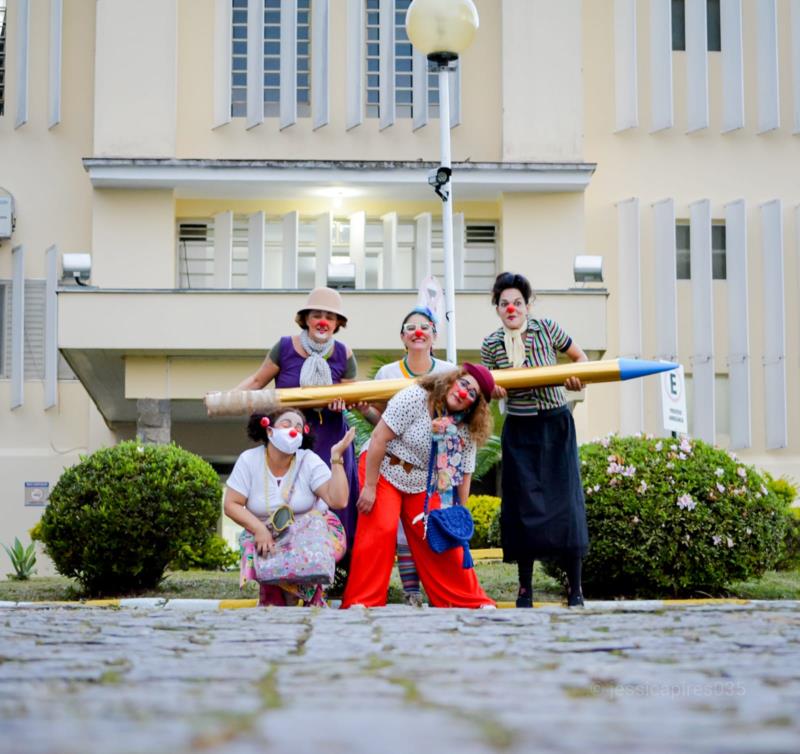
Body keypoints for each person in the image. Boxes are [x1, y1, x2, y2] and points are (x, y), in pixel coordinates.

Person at [342, 363, 496, 609]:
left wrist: (458, 514)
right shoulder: (416, 396)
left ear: (475, 404)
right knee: (381, 528)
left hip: (424, 482)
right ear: (452, 380)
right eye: (464, 383)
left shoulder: (467, 428)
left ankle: (468, 601)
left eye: (472, 393)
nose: (464, 392)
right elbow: (379, 438)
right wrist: (370, 486)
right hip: (383, 467)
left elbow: (464, 474)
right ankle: (363, 601)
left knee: (441, 533)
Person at [480, 271, 589, 607]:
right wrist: (493, 390)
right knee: (521, 505)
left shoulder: (547, 329)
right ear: (497, 308)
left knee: (566, 504)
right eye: (504, 304)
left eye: (517, 303)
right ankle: (524, 587)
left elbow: (580, 360)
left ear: (527, 305)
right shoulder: (490, 345)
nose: (511, 309)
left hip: (556, 424)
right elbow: (487, 389)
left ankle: (575, 587)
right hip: (520, 429)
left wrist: (577, 382)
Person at [235, 287, 360, 549]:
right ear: (305, 319)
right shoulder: (284, 347)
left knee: (333, 500)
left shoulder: (344, 353)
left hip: (329, 436)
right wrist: (229, 398)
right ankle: (281, 557)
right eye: (317, 315)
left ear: (338, 324)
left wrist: (341, 403)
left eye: (330, 316)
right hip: (289, 435)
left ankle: (333, 567)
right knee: (287, 496)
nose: (323, 321)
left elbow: (351, 395)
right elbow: (258, 380)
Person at [358, 306, 455, 606]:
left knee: (428, 527)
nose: (418, 332)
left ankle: (444, 593)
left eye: (424, 327)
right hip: (389, 460)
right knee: (389, 529)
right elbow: (383, 425)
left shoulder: (448, 371)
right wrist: (366, 410)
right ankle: (405, 593)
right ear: (402, 337)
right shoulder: (387, 373)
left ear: (434, 336)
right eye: (411, 327)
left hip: (429, 464)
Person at [224, 408, 355, 606]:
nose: (293, 430)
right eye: (286, 424)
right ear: (270, 431)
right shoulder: (249, 460)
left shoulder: (309, 460)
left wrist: (336, 458)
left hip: (311, 536)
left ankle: (309, 598)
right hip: (265, 534)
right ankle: (276, 601)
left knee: (306, 540)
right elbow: (231, 504)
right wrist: (259, 529)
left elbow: (338, 500)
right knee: (264, 549)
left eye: (299, 427)